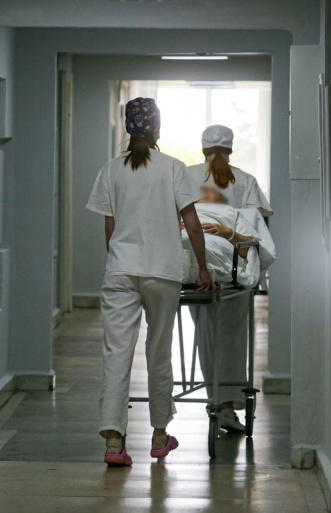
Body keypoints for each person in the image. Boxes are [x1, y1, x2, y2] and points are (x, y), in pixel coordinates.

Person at [86, 98, 214, 466]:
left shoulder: (111, 170)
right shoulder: (173, 168)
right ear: (157, 128)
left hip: (121, 270)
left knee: (116, 354)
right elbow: (192, 224)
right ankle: (159, 436)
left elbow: (110, 228)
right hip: (163, 271)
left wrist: (117, 262)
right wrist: (203, 268)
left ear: (128, 128)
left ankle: (113, 443)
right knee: (159, 351)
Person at [186, 125, 273, 432]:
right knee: (233, 338)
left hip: (195, 266)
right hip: (233, 268)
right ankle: (226, 405)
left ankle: (215, 400)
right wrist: (227, 232)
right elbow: (257, 228)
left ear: (203, 149)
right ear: (231, 150)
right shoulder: (245, 181)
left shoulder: (186, 176)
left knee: (206, 334)